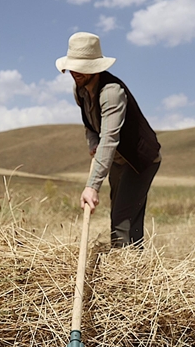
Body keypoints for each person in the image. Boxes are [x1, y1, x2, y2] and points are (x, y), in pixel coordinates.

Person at [55, 32, 162, 248]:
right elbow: (90, 125)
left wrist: (92, 187)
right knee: (123, 216)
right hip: (117, 159)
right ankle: (133, 261)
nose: (75, 72)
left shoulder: (112, 92)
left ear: (95, 66)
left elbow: (110, 138)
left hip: (140, 160)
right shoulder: (80, 89)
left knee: (122, 220)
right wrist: (92, 142)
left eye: (82, 67)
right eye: (73, 66)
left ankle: (127, 273)